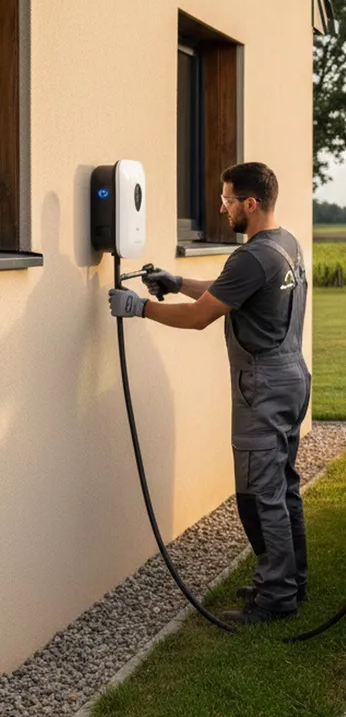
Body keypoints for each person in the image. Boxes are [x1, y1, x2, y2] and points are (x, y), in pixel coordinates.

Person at [108, 162, 311, 625]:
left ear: (251, 204)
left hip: (262, 386)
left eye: (227, 201)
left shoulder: (252, 255)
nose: (221, 209)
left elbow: (202, 316)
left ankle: (275, 596)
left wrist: (140, 309)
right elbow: (230, 293)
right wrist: (178, 283)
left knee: (261, 495)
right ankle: (292, 580)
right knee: (284, 487)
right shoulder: (287, 245)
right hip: (291, 376)